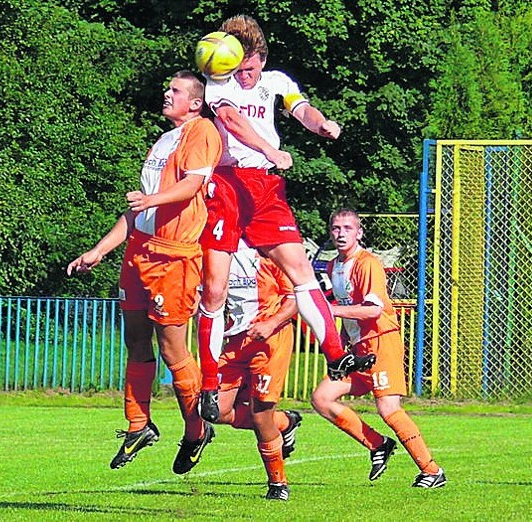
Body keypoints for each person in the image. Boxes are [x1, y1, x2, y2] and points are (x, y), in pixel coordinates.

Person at [197, 14, 375, 422]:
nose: (243, 75)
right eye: (237, 69)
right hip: (226, 184)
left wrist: (323, 125)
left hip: (265, 188)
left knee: (302, 273)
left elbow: (302, 109)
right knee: (214, 290)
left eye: (249, 67)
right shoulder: (217, 80)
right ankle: (210, 382)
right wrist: (270, 150)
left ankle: (336, 356)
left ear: (260, 57)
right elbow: (230, 120)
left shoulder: (275, 81)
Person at [67, 70, 222, 475]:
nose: (166, 94)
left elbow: (191, 186)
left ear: (195, 102)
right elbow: (138, 210)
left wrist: (151, 198)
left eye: (174, 90)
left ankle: (196, 429)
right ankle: (139, 423)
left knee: (173, 349)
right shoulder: (164, 140)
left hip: (173, 258)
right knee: (135, 339)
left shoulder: (201, 130)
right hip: (138, 253)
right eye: (167, 88)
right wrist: (99, 249)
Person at [310, 208, 447, 488]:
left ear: (359, 233)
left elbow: (373, 311)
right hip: (358, 349)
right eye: (336, 228)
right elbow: (348, 312)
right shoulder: (332, 265)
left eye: (348, 228)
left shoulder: (367, 263)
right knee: (322, 398)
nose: (341, 233)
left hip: (381, 341)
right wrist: (341, 347)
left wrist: (330, 311)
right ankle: (378, 445)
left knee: (388, 408)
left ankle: (432, 471)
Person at [213, 240, 302, 501]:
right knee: (215, 410)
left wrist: (271, 323)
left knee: (261, 414)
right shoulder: (218, 252)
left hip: (269, 340)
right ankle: (285, 423)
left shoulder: (270, 253)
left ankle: (278, 484)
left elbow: (294, 298)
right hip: (236, 340)